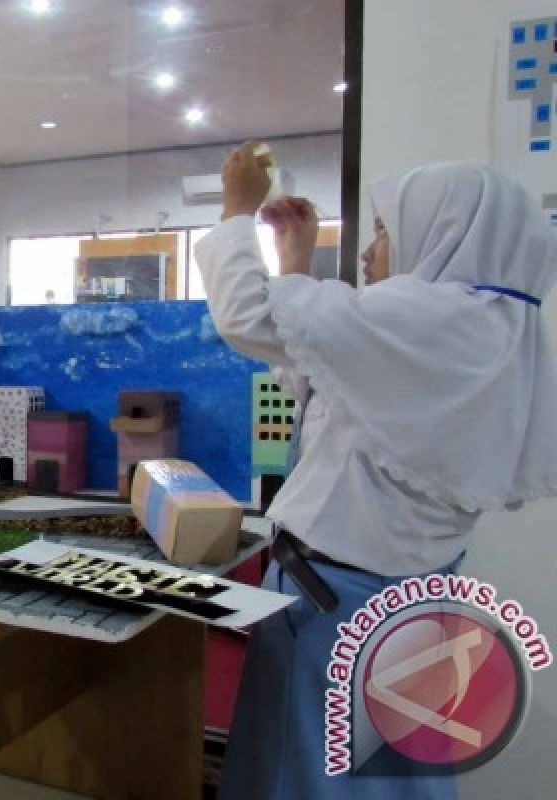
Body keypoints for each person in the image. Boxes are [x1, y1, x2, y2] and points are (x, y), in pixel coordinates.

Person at [196, 144, 557, 799]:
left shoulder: (428, 319)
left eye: (387, 231)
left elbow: (248, 316)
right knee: (386, 773)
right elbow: (327, 390)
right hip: (409, 604)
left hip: (334, 602)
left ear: (444, 233)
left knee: (303, 771)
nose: (368, 252)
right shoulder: (489, 333)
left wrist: (236, 210)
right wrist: (297, 263)